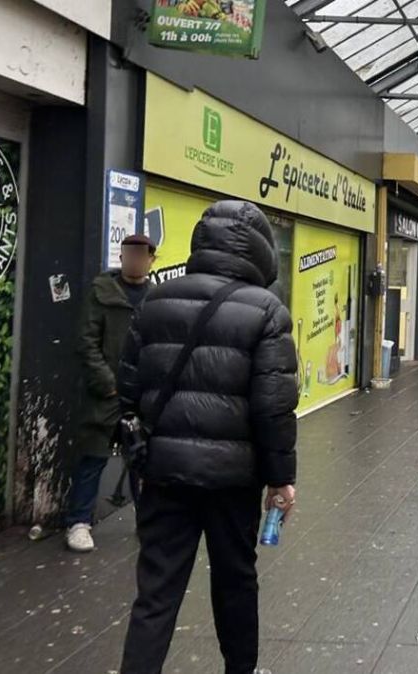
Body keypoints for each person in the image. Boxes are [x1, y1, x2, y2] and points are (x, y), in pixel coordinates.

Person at [117, 201, 298, 674]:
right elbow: (273, 405)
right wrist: (281, 480)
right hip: (232, 481)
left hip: (163, 475)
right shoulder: (266, 311)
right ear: (260, 252)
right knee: (235, 583)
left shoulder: (155, 300)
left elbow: (128, 390)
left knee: (156, 593)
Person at [65, 234, 156, 553]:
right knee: (93, 457)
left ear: (150, 260)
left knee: (142, 459)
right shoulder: (101, 292)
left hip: (141, 394)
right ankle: (78, 522)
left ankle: (146, 524)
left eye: (140, 255)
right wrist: (109, 383)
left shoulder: (156, 298)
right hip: (105, 393)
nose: (133, 260)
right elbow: (86, 342)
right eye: (128, 254)